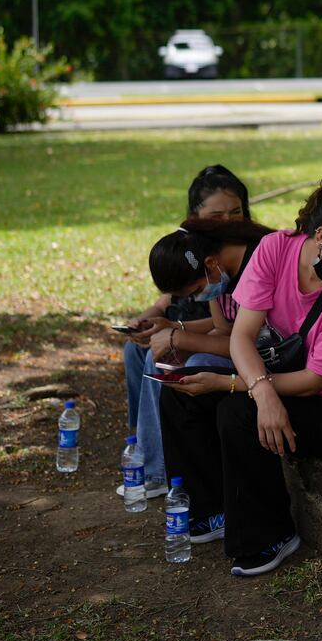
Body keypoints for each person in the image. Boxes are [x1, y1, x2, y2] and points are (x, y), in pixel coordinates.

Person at [160, 186, 322, 576]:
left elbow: (315, 381)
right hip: (275, 379)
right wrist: (261, 389)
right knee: (184, 389)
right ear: (321, 236)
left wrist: (241, 387)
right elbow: (241, 335)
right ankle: (210, 510)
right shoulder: (275, 249)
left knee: (238, 411)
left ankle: (270, 536)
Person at [128, 216, 274, 529]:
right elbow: (224, 327)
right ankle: (164, 475)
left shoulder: (255, 264)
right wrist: (173, 328)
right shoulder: (217, 274)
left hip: (265, 362)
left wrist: (182, 338)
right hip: (242, 352)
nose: (197, 297)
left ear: (209, 264)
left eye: (195, 289)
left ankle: (205, 499)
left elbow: (251, 342)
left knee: (191, 368)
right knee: (163, 359)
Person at [117, 165, 252, 496]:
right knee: (142, 348)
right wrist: (161, 323)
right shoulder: (197, 255)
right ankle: (145, 445)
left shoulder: (242, 260)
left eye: (236, 212)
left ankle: (157, 466)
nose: (228, 222)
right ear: (195, 217)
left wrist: (179, 333)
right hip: (209, 333)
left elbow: (240, 333)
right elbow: (215, 320)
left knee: (164, 357)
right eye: (216, 215)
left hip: (242, 351)